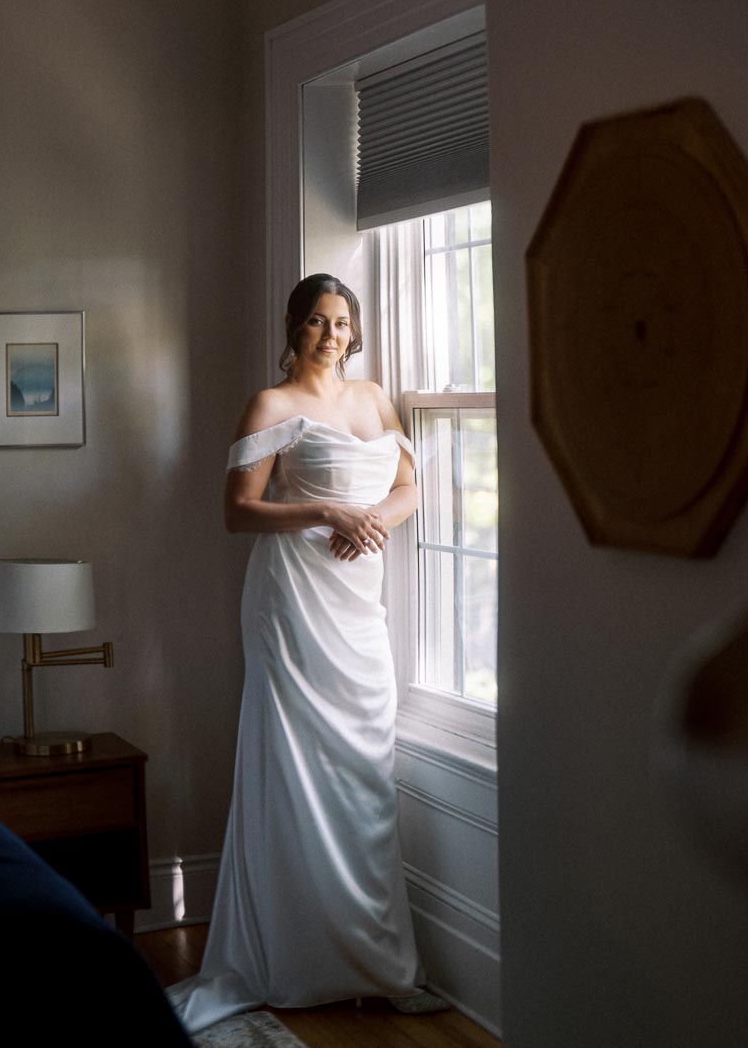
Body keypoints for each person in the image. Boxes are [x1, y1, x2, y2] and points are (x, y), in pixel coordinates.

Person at [168, 274, 448, 1032]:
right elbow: (236, 512)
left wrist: (374, 521)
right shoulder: (272, 405)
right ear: (294, 327)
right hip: (291, 611)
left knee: (364, 777)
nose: (332, 335)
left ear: (355, 332)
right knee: (294, 774)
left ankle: (383, 966)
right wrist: (325, 509)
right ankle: (289, 959)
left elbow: (411, 483)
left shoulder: (374, 400)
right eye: (318, 322)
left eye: (343, 322)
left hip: (358, 612)